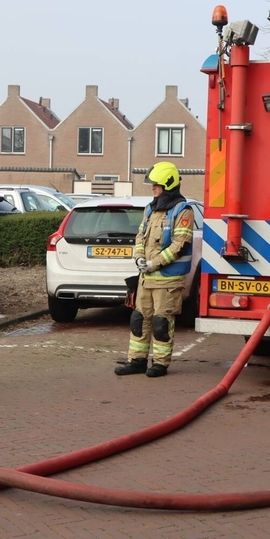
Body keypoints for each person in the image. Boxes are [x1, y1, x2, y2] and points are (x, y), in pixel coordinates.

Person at [114, 161, 194, 378]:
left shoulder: (183, 211)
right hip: (145, 279)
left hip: (168, 281)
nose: (152, 188)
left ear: (168, 184)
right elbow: (140, 236)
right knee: (139, 320)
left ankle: (160, 364)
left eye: (156, 184)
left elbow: (180, 244)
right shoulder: (150, 209)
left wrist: (154, 263)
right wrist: (139, 257)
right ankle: (137, 361)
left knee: (161, 323)